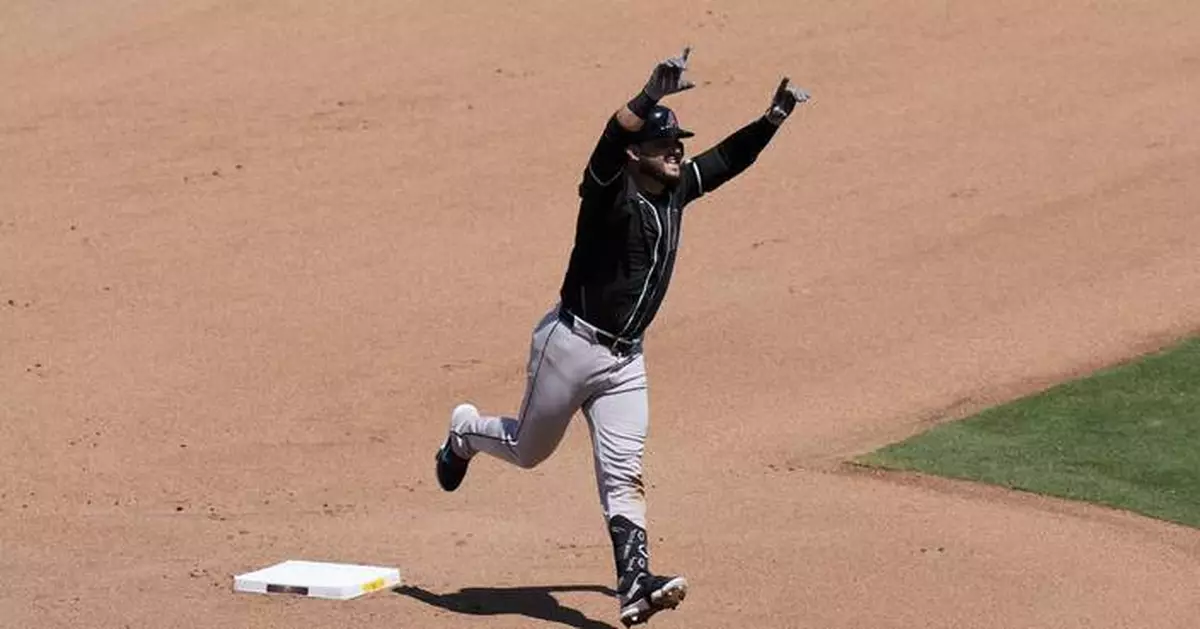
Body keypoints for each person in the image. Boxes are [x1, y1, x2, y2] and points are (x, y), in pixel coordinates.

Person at [434, 47, 810, 627]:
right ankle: (463, 434)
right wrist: (648, 96)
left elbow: (728, 159)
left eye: (678, 143)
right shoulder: (608, 196)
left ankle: (634, 584)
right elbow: (609, 141)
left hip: (625, 362)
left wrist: (773, 119)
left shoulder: (677, 192)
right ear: (637, 156)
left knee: (624, 472)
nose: (677, 152)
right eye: (665, 146)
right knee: (527, 452)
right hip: (569, 348)